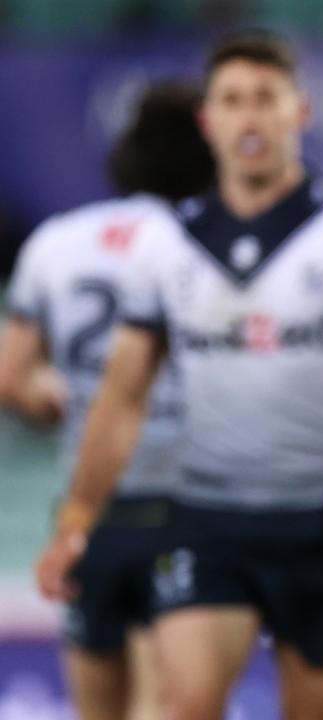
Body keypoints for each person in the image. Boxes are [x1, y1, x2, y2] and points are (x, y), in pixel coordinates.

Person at [34, 30, 323, 720]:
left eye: (265, 99)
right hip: (206, 519)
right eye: (233, 101)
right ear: (207, 121)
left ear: (299, 112)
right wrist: (76, 519)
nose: (250, 117)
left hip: (322, 521)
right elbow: (122, 396)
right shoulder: (169, 245)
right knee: (185, 706)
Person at [0, 81, 213, 720]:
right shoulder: (213, 247)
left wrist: (66, 400)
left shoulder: (56, 243)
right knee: (164, 704)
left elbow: (11, 377)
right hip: (185, 504)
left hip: (88, 513)